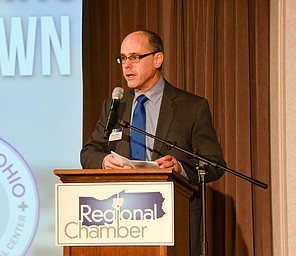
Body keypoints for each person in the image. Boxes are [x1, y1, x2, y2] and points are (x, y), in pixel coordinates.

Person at [80, 30, 225, 256]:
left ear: (157, 59)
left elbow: (214, 164)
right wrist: (104, 160)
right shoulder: (115, 105)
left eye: (135, 57)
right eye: (123, 58)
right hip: (120, 220)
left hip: (173, 217)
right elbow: (89, 152)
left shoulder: (191, 107)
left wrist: (180, 168)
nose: (127, 65)